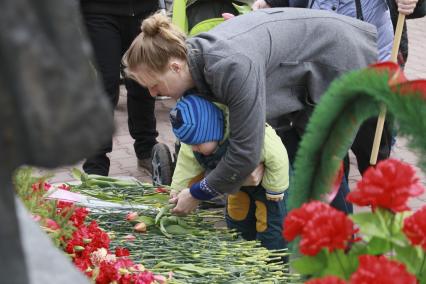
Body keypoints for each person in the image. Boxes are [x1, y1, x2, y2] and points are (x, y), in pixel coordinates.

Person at [122, 9, 377, 216]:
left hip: (336, 59)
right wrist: (182, 187)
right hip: (301, 69)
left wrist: (199, 192)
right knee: (292, 161)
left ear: (175, 67)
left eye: (154, 84)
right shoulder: (196, 61)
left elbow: (245, 153)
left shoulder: (230, 66)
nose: (153, 94)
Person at [169, 94, 289, 249]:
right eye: (190, 144)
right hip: (237, 186)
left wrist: (275, 189)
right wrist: (178, 188)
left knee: (270, 226)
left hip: (268, 189)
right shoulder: (195, 140)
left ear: (212, 132)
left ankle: (273, 265)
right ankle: (244, 254)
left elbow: (277, 156)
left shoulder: (250, 134)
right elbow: (186, 164)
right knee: (237, 219)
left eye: (197, 145)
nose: (194, 149)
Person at [79, 0, 159, 176]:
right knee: (105, 84)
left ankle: (146, 150)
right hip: (99, 11)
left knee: (143, 81)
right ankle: (95, 163)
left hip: (143, 10)